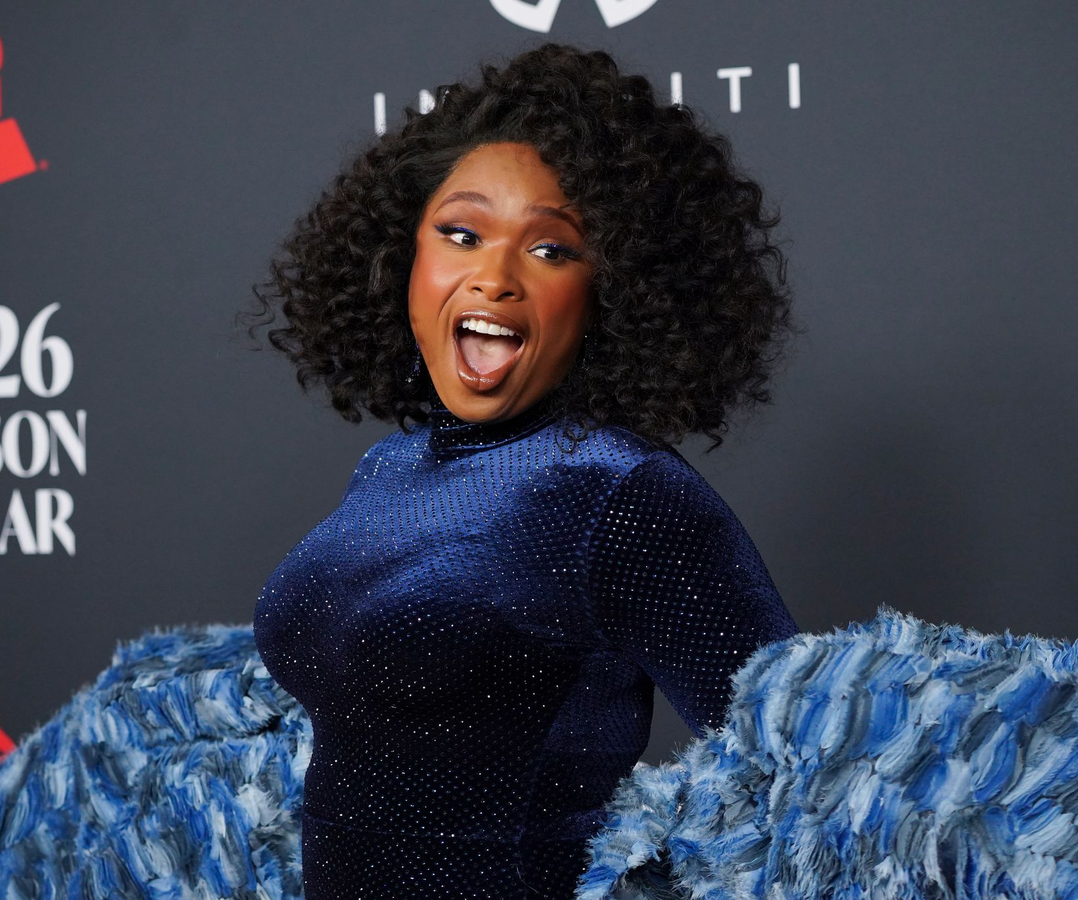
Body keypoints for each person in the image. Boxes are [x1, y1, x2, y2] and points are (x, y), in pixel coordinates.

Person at [242, 42, 803, 899]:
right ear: (402, 257)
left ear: (614, 290)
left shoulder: (616, 488)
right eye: (461, 235)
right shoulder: (386, 470)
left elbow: (806, 768)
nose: (494, 278)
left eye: (551, 250)